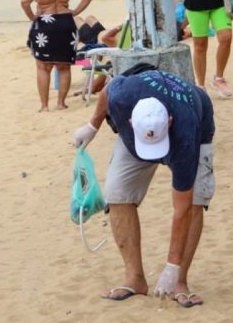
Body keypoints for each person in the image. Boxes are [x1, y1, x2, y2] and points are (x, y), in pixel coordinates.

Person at [70, 68, 215, 308]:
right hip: (134, 137)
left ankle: (180, 282)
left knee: (196, 201)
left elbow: (182, 209)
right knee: (117, 194)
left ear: (168, 121)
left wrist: (172, 265)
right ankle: (135, 279)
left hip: (195, 125)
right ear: (129, 121)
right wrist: (92, 126)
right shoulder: (123, 97)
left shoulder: (185, 133)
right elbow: (107, 89)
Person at [21, 0, 94, 111]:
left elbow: (25, 1)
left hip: (45, 24)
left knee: (43, 66)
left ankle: (45, 106)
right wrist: (74, 12)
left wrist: (33, 17)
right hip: (65, 23)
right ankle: (61, 103)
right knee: (64, 66)